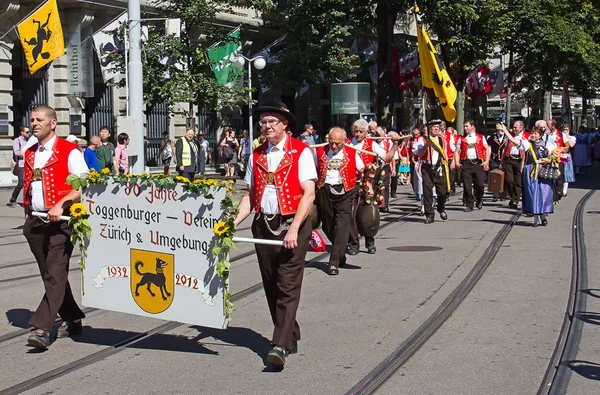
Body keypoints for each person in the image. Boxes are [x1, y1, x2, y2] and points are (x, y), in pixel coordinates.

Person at [233, 98, 316, 369]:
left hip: (293, 223)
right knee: (270, 282)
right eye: (263, 122)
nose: (266, 126)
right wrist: (231, 224)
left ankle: (279, 345)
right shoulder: (256, 154)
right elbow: (249, 195)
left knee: (287, 284)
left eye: (271, 122)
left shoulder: (301, 152)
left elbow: (309, 194)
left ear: (285, 124)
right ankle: (289, 331)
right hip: (264, 225)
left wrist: (294, 228)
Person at [22, 105, 88, 348]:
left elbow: (83, 185)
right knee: (51, 274)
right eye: (32, 120)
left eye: (39, 119)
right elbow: (30, 187)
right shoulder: (30, 152)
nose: (34, 123)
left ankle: (42, 328)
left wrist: (61, 204)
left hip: (64, 222)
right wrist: (27, 216)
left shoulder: (70, 151)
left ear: (53, 123)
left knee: (55, 271)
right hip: (36, 222)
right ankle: (72, 317)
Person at [316, 127, 365, 276]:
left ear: (344, 142)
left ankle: (333, 263)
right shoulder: (319, 152)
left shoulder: (352, 152)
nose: (334, 146)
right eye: (332, 142)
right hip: (325, 191)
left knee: (342, 226)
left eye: (338, 143)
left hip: (346, 192)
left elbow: (362, 170)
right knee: (327, 225)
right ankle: (341, 251)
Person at [346, 119, 399, 255]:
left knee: (368, 212)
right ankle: (353, 244)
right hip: (351, 183)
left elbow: (386, 158)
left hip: (368, 184)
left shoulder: (371, 144)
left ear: (366, 132)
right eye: (355, 131)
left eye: (361, 132)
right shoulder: (346, 144)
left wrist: (394, 146)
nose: (358, 134)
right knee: (349, 214)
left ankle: (370, 241)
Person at [502, 122, 553, 226]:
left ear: (540, 135)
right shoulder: (527, 143)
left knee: (543, 194)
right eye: (532, 133)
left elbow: (554, 157)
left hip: (543, 171)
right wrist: (506, 131)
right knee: (532, 193)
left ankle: (542, 215)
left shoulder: (548, 145)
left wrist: (547, 161)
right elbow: (514, 141)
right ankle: (535, 218)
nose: (533, 135)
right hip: (530, 171)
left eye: (536, 134)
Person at [416, 119, 451, 224]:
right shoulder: (422, 139)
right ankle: (429, 215)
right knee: (427, 192)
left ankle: (441, 208)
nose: (436, 129)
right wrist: (427, 145)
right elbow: (420, 154)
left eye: (437, 127)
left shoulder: (442, 140)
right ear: (429, 129)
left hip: (439, 168)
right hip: (427, 168)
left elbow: (444, 154)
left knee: (442, 192)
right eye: (434, 127)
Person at [453, 119, 490, 212]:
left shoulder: (480, 137)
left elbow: (487, 149)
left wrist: (486, 161)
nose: (465, 128)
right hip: (466, 164)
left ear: (472, 127)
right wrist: (457, 162)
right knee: (467, 186)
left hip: (478, 163)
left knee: (480, 184)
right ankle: (469, 205)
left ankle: (479, 199)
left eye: (467, 126)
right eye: (464, 126)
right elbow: (457, 152)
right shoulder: (461, 139)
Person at [501, 120, 528, 209]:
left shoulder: (526, 136)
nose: (514, 129)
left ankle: (515, 200)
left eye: (516, 127)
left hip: (520, 160)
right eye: (513, 127)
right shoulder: (511, 135)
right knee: (509, 180)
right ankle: (513, 196)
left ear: (521, 128)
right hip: (509, 159)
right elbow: (505, 149)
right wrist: (502, 161)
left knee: (518, 181)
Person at [8, 125, 31, 208]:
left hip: (28, 165)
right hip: (21, 165)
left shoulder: (28, 141)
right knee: (21, 183)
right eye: (27, 132)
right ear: (22, 132)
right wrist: (27, 152)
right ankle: (13, 200)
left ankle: (29, 201)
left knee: (30, 183)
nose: (29, 133)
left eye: (29, 132)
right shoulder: (17, 141)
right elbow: (17, 152)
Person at [487, 123, 507, 202]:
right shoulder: (492, 138)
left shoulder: (508, 137)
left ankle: (503, 194)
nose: (500, 131)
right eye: (498, 129)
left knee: (504, 177)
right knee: (495, 177)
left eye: (502, 129)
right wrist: (488, 159)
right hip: (494, 159)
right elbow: (488, 148)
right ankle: (495, 194)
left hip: (505, 159)